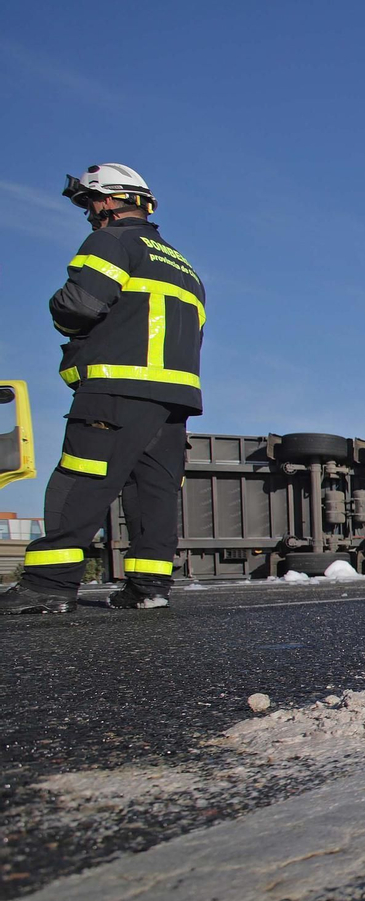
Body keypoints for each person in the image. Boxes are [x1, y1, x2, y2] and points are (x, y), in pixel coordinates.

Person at [0, 164, 205, 614]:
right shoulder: (182, 264)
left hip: (116, 388)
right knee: (150, 490)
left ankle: (48, 585)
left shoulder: (112, 241)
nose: (89, 213)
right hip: (173, 399)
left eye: (90, 203)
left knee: (81, 478)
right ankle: (149, 585)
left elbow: (79, 305)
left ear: (109, 200)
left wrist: (58, 312)